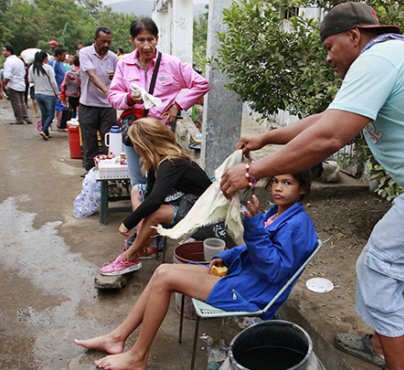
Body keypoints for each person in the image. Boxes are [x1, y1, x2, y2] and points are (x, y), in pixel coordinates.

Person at [219, 3, 404, 369]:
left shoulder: (380, 57)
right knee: (392, 268)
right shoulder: (387, 56)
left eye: (329, 47)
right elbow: (325, 119)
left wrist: (252, 172)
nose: (328, 58)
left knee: (380, 266)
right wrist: (267, 138)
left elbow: (331, 136)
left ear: (354, 35)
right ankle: (378, 341)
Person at [75, 168, 318, 370]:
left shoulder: (299, 225)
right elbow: (251, 250)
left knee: (164, 279)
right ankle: (117, 338)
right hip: (242, 276)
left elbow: (274, 270)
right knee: (163, 272)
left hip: (252, 291)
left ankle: (137, 357)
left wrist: (253, 226)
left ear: (303, 189)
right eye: (275, 181)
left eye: (287, 183)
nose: (278, 187)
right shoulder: (277, 213)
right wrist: (226, 256)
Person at [99, 117, 213, 276]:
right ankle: (143, 242)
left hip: (202, 209)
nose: (133, 148)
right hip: (184, 199)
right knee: (137, 190)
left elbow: (155, 200)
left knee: (155, 213)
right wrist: (141, 228)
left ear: (145, 144)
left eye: (134, 144)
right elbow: (149, 195)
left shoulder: (172, 162)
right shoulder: (155, 161)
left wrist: (128, 222)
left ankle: (129, 257)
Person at [108, 17, 209, 187]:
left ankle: (157, 212)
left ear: (157, 38)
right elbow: (113, 97)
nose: (146, 46)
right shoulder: (124, 64)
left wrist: (177, 105)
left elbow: (202, 83)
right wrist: (129, 99)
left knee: (162, 181)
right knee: (137, 181)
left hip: (161, 131)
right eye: (141, 40)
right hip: (135, 132)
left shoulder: (171, 64)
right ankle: (141, 212)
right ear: (133, 40)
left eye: (150, 39)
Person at [78, 27, 118, 174]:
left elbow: (118, 78)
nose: (106, 45)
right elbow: (92, 75)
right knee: (90, 141)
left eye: (109, 42)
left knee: (110, 140)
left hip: (108, 106)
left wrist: (115, 79)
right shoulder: (85, 53)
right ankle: (90, 171)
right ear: (95, 39)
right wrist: (107, 91)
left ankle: (108, 172)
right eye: (103, 42)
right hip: (88, 104)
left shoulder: (113, 57)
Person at [28, 51, 59, 140]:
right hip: (48, 94)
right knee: (50, 115)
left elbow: (30, 80)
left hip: (37, 93)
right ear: (44, 58)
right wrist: (57, 93)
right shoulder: (48, 68)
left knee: (44, 114)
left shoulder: (31, 68)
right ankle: (44, 129)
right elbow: (53, 82)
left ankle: (46, 133)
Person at [2, 44, 32, 125]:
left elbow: (7, 76)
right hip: (21, 83)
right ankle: (25, 117)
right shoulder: (19, 61)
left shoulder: (8, 62)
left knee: (16, 103)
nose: (3, 52)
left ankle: (19, 118)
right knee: (22, 102)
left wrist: (4, 84)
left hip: (13, 84)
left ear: (9, 52)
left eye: (4, 50)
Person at [60, 55, 81, 119]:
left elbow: (63, 85)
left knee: (72, 111)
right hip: (80, 95)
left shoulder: (68, 72)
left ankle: (72, 124)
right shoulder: (82, 72)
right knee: (80, 112)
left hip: (70, 95)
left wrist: (63, 96)